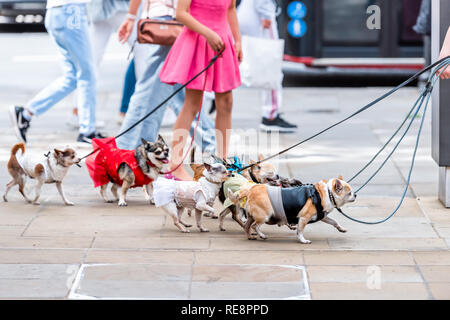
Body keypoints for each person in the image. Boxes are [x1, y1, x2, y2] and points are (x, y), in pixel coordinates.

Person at [116, 0, 216, 163]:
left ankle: (211, 145)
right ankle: (130, 150)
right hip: (170, 18)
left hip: (169, 17)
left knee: (174, 89)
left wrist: (131, 16)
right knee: (155, 88)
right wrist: (131, 16)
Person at [159, 0, 242, 180]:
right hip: (198, 38)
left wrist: (237, 40)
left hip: (222, 38)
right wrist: (208, 33)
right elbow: (181, 13)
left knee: (226, 102)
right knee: (192, 104)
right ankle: (175, 164)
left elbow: (231, 8)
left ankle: (223, 160)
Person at [9, 0, 104, 144]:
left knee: (72, 77)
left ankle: (26, 113)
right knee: (87, 74)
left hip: (58, 12)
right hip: (71, 12)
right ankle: (87, 131)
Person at [238, 0, 297, 133]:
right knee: (271, 66)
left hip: (249, 11)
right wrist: (266, 14)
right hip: (260, 14)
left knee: (250, 61)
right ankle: (270, 116)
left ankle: (210, 97)